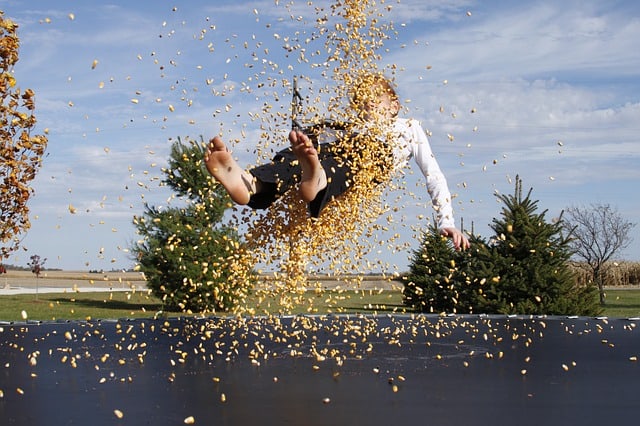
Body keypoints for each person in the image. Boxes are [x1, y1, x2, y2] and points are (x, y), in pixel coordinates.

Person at [205, 73, 470, 250]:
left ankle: (318, 178)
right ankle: (253, 184)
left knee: (344, 165)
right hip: (342, 146)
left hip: (374, 160)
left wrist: (445, 222)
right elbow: (317, 139)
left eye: (374, 100)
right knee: (303, 150)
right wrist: (308, 139)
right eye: (361, 104)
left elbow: (433, 175)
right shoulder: (350, 127)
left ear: (394, 106)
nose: (367, 107)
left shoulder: (409, 128)